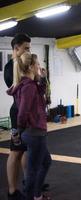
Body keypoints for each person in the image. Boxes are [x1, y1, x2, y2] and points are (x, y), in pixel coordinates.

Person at [7, 53, 52, 200]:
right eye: (38, 65)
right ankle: (33, 196)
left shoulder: (30, 85)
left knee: (46, 162)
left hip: (34, 132)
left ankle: (37, 195)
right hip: (34, 133)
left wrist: (43, 79)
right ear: (32, 67)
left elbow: (41, 96)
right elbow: (23, 111)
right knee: (32, 171)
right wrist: (20, 129)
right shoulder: (28, 87)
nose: (40, 67)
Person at [4, 33, 30, 200]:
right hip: (18, 114)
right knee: (16, 152)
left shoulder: (25, 64)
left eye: (29, 48)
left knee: (27, 150)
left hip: (28, 114)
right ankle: (12, 191)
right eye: (26, 48)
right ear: (16, 48)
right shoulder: (10, 67)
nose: (28, 51)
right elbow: (16, 89)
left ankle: (30, 181)